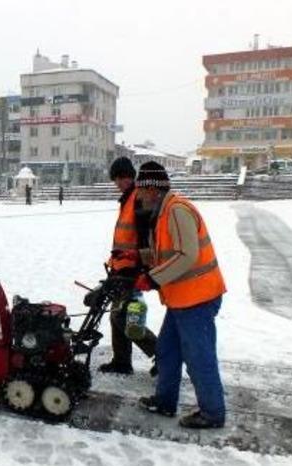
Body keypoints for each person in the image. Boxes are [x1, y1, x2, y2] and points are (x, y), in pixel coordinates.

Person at [131, 161, 227, 429]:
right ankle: (165, 401)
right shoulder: (162, 213)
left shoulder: (177, 211)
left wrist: (153, 278)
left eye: (141, 188)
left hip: (198, 298)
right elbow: (168, 253)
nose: (138, 194)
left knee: (199, 356)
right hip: (181, 298)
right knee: (167, 351)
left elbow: (188, 255)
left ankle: (212, 413)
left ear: (152, 189)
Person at [93, 157, 158, 376]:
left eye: (120, 178)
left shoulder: (138, 199)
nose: (117, 183)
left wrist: (142, 267)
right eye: (116, 179)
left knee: (122, 317)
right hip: (121, 267)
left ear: (129, 176)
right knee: (117, 314)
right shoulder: (128, 198)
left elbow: (145, 238)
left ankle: (161, 354)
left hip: (133, 268)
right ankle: (122, 361)